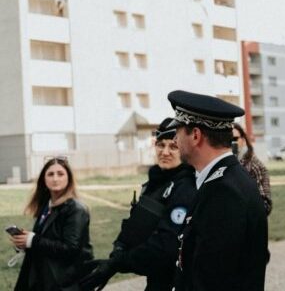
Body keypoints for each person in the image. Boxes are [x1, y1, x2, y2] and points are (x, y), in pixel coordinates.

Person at [78, 118, 198, 291]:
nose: (165, 152)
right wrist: (119, 248)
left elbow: (165, 247)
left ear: (184, 150)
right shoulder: (156, 181)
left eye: (173, 147)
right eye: (160, 145)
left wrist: (119, 263)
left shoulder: (185, 186)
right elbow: (137, 225)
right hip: (156, 279)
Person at [169, 90, 269, 291]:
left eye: (177, 132)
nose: (174, 141)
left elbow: (212, 279)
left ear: (195, 135)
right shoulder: (228, 179)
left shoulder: (224, 193)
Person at [11, 157, 93, 291]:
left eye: (60, 174)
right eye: (50, 174)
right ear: (44, 179)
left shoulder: (76, 209)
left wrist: (33, 240)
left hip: (65, 283)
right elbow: (45, 242)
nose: (55, 179)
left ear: (69, 178)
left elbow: (70, 249)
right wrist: (25, 243)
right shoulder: (47, 205)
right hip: (43, 278)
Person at [233, 123, 273, 215]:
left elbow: (265, 206)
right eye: (227, 139)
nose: (232, 143)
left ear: (243, 140)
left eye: (235, 139)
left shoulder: (254, 166)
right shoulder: (227, 164)